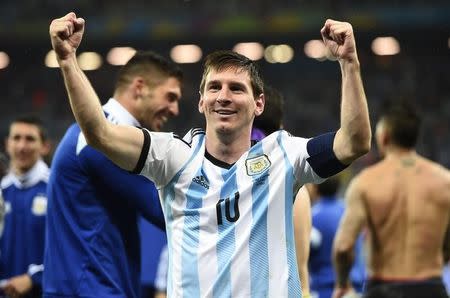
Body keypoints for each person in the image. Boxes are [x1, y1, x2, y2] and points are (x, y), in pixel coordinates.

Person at [50, 12, 371, 297]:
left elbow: (354, 142)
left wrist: (349, 63)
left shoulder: (285, 154)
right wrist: (67, 61)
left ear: (258, 104)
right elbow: (99, 132)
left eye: (236, 88)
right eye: (214, 87)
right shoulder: (171, 157)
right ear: (202, 101)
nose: (224, 96)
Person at [43, 49, 182, 297]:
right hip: (91, 289)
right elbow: (167, 211)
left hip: (96, 285)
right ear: (139, 88)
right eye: (170, 97)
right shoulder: (101, 143)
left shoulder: (98, 138)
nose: (174, 109)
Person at [332, 100, 450, 298]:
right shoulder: (444, 181)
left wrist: (343, 284)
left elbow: (343, 247)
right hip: (431, 287)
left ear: (384, 137)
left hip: (383, 288)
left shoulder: (366, 182)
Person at [0, 115, 51, 297]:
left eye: (30, 139)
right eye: (16, 138)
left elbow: (70, 249)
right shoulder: (2, 191)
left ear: (45, 146)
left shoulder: (57, 190)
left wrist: (34, 278)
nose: (22, 146)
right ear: (7, 144)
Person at [307, 176, 365, 298]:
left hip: (326, 289)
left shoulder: (312, 217)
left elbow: (305, 254)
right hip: (356, 289)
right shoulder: (350, 212)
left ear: (316, 187)